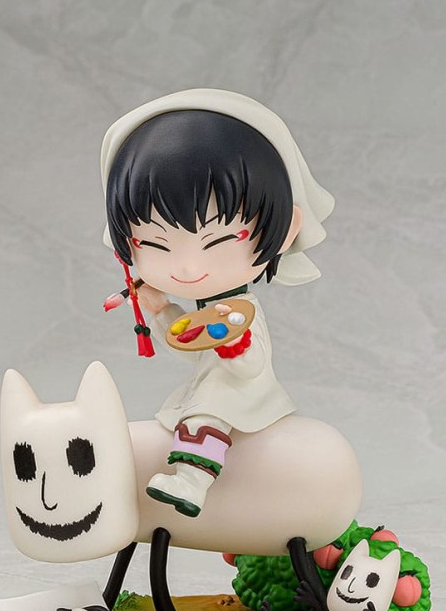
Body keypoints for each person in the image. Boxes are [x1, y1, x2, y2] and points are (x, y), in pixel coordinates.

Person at [101, 89, 334, 517]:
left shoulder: (243, 312)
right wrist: (160, 308)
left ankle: (191, 482)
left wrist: (234, 342)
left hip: (241, 391)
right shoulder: (209, 309)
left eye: (220, 240)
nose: (188, 267)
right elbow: (188, 346)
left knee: (204, 415)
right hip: (212, 384)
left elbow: (251, 366)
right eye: (155, 243)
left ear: (285, 229)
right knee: (197, 408)